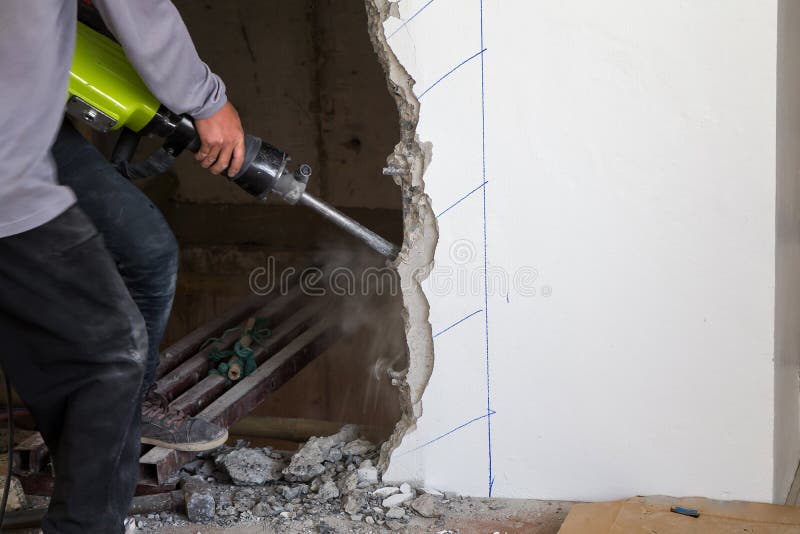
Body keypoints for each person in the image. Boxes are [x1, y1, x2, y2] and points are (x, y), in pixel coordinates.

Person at [0, 1, 245, 532]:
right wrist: (207, 101)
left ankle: (118, 419)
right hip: (6, 168)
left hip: (27, 131)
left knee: (144, 253)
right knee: (113, 355)